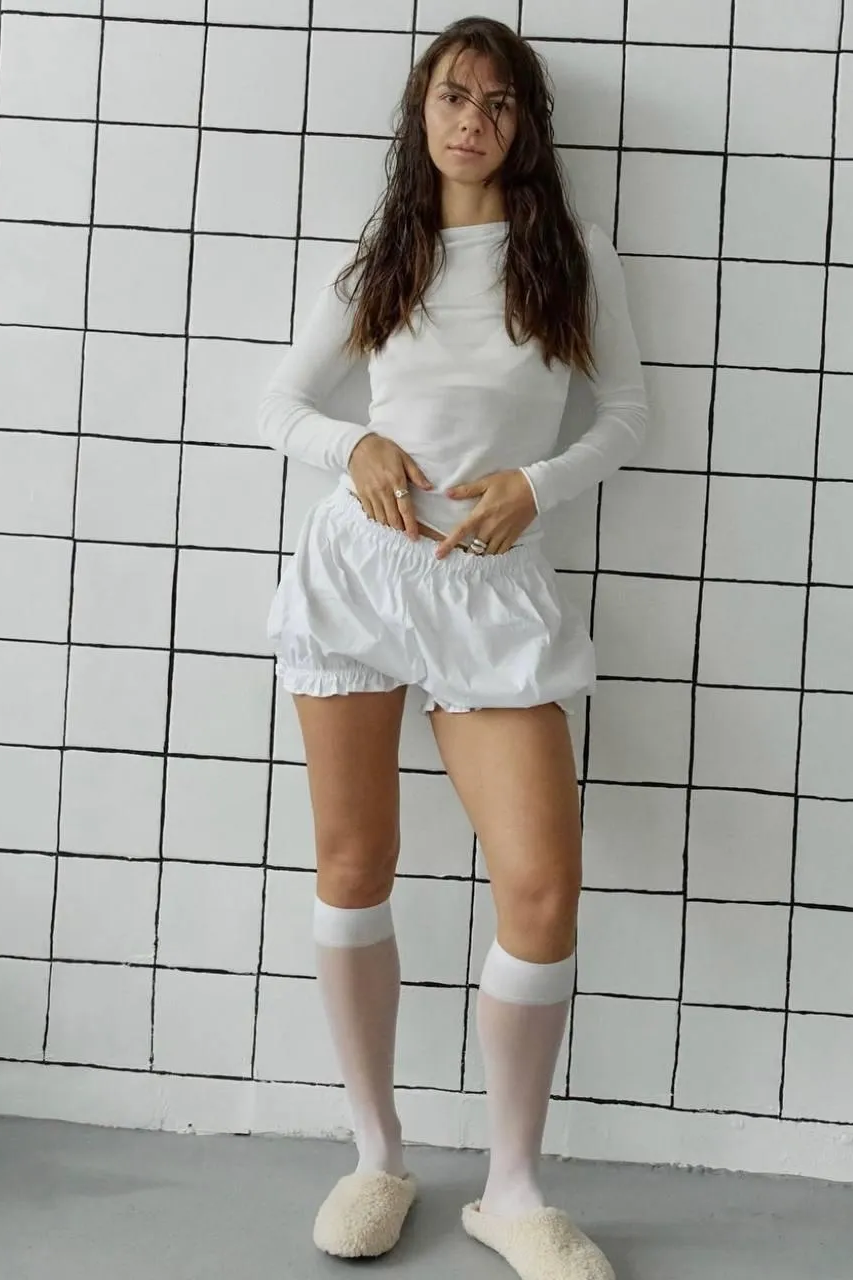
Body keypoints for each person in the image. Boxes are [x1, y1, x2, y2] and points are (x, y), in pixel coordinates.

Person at [256, 16, 646, 1280]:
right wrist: (350, 447)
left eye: (496, 101)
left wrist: (536, 483)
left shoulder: (570, 255)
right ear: (421, 115)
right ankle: (377, 1154)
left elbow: (627, 415)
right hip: (362, 577)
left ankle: (514, 1186)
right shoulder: (385, 256)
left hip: (491, 585)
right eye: (450, 95)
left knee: (539, 887)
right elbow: (277, 400)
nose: (470, 117)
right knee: (355, 857)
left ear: (524, 126)